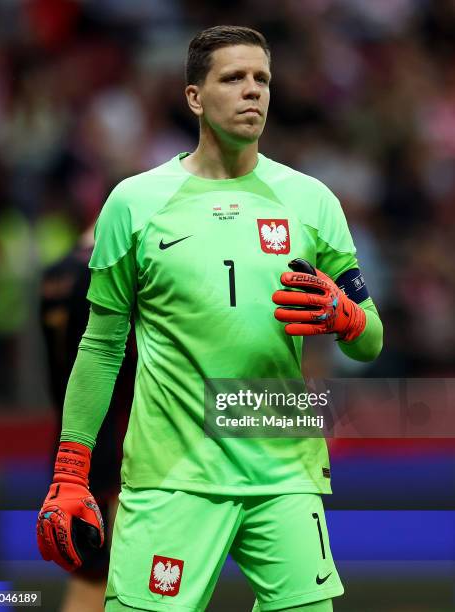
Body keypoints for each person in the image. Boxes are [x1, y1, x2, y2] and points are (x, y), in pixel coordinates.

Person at [37, 25, 383, 612]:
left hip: (284, 468)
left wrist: (346, 317)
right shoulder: (135, 202)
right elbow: (100, 347)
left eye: (262, 80)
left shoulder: (312, 201)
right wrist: (71, 470)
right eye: (234, 78)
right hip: (171, 477)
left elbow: (371, 340)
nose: (253, 92)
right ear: (195, 96)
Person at [40, 223, 135, 611]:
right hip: (110, 442)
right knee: (105, 581)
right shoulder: (108, 270)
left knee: (90, 576)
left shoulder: (53, 272)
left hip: (68, 435)